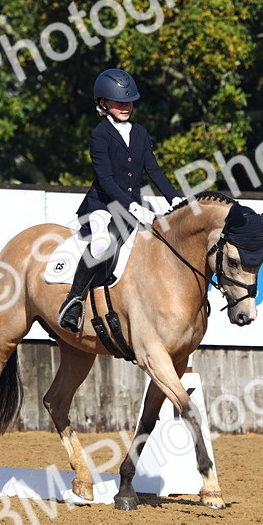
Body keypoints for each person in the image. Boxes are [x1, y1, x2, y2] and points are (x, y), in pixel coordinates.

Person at [58, 68, 183, 332]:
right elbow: (105, 178)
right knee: (104, 242)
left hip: (133, 207)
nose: (126, 107)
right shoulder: (100, 135)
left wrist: (176, 199)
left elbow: (155, 170)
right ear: (103, 103)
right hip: (103, 205)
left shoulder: (140, 133)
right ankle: (74, 300)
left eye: (129, 102)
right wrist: (130, 204)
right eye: (119, 102)